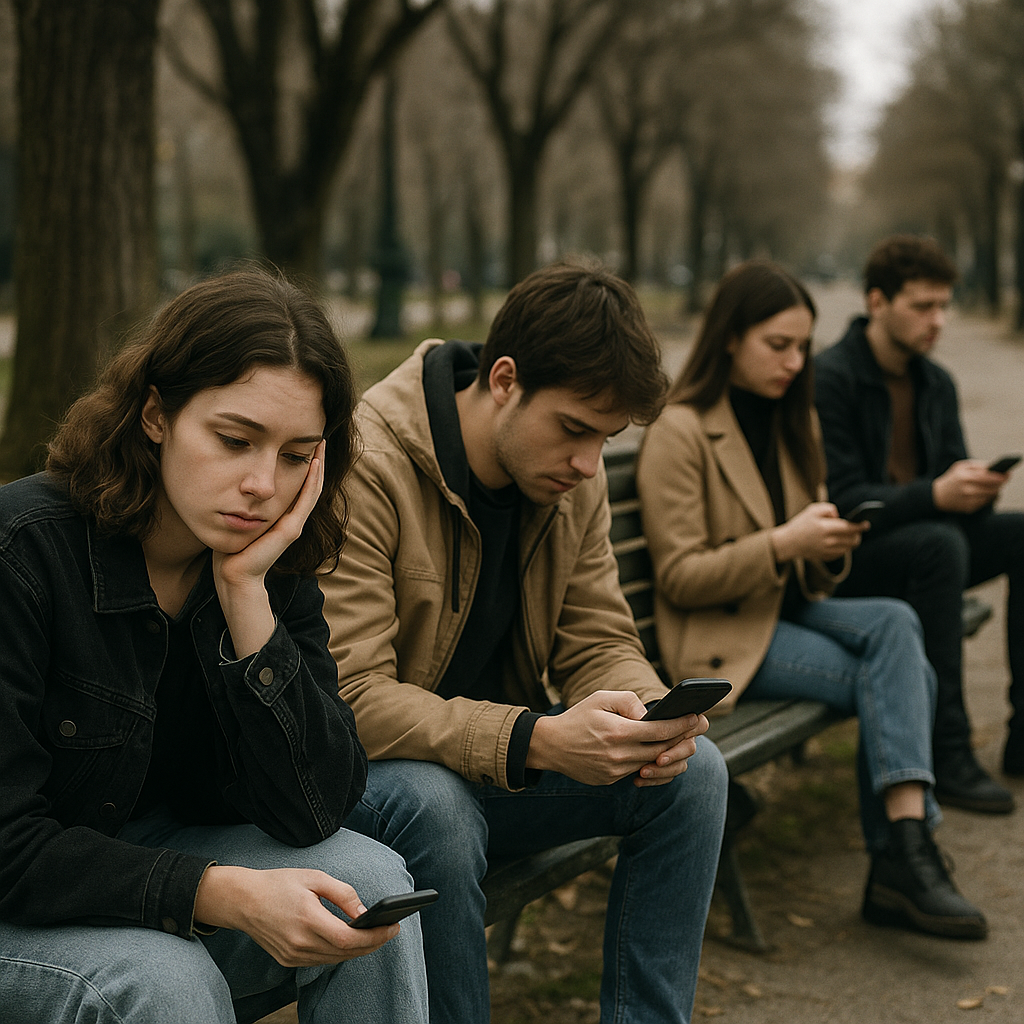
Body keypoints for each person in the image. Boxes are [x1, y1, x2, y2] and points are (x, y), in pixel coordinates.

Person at [0, 271, 429, 1024]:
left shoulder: (268, 565)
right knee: (163, 978)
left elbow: (317, 808)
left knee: (368, 886)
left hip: (144, 856)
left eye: (297, 455)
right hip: (20, 896)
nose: (263, 484)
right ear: (156, 414)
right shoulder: (25, 556)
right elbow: (8, 847)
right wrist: (215, 890)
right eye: (235, 440)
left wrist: (245, 602)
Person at [318, 261, 730, 1024]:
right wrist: (535, 739)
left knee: (695, 773)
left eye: (605, 439)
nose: (586, 462)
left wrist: (646, 715)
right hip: (362, 781)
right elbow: (353, 699)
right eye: (574, 429)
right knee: (435, 804)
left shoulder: (568, 478)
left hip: (496, 760)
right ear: (503, 378)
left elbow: (598, 634)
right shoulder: (366, 463)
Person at [636, 259, 987, 940]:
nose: (796, 363)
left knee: (896, 620)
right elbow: (680, 577)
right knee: (902, 667)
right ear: (731, 337)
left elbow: (811, 568)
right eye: (779, 346)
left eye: (802, 346)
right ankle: (902, 857)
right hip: (722, 633)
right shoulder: (682, 429)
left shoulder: (793, 422)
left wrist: (827, 548)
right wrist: (782, 544)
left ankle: (903, 851)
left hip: (782, 610)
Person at [815, 234, 1023, 813]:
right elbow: (845, 500)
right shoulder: (831, 378)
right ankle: (946, 748)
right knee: (938, 545)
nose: (939, 320)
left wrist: (975, 490)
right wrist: (936, 493)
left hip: (931, 544)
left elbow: (949, 492)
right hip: (853, 559)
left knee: (1018, 532)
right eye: (923, 306)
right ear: (876, 302)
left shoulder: (935, 383)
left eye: (944, 306)